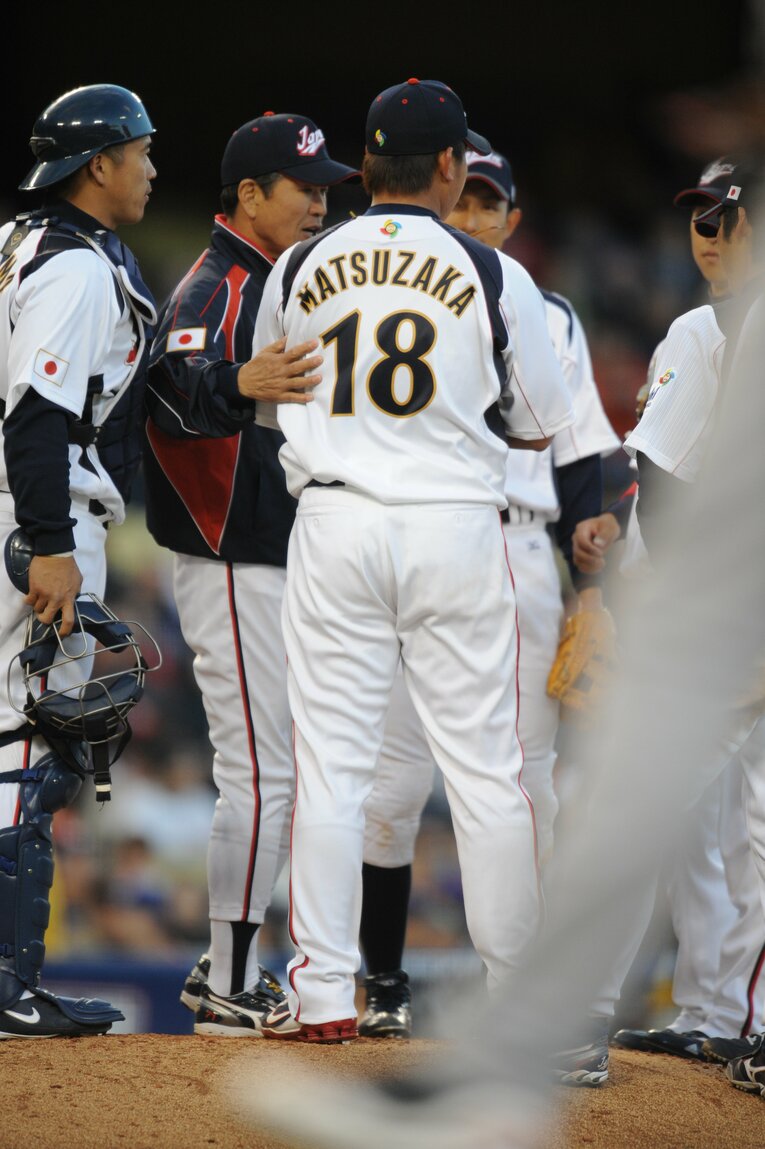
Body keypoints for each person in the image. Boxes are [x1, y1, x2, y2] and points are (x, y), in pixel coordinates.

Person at [248, 76, 575, 1044]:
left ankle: (321, 997)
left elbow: (275, 400)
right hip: (455, 527)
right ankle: (522, 1006)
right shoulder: (491, 271)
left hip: (337, 521)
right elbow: (539, 423)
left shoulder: (301, 262)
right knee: (488, 776)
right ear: (448, 166)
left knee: (333, 770)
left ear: (367, 163)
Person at [355, 146, 621, 1039]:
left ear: (510, 219)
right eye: (459, 198)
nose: (470, 215)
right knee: (391, 786)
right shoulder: (385, 290)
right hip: (411, 539)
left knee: (524, 785)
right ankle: (382, 982)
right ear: (437, 196)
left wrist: (590, 583)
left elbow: (585, 451)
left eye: (487, 203)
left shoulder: (545, 312)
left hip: (512, 549)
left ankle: (532, 996)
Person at [143, 112, 357, 1035]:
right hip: (226, 551)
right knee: (261, 771)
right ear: (247, 195)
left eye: (323, 185)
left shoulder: (272, 277)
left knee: (281, 771)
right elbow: (164, 394)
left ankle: (230, 964)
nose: (318, 199)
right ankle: (229, 974)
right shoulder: (216, 282)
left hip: (268, 551)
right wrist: (237, 385)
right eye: (300, 184)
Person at [573, 158, 765, 1070]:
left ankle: (731, 1023)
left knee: (729, 823)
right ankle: (715, 1013)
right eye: (698, 218)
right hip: (692, 604)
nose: (708, 238)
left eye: (726, 220)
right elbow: (654, 474)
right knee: (701, 828)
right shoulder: (693, 328)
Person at [0, 83, 159, 1037]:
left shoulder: (20, 241)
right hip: (33, 517)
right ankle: (10, 984)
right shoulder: (73, 265)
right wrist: (53, 546)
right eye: (141, 150)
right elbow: (37, 413)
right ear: (98, 164)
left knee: (18, 744)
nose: (150, 166)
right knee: (28, 751)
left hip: (17, 508)